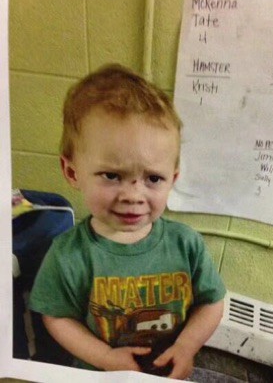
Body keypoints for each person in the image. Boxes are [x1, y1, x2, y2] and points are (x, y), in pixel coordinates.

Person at [29, 64, 226, 380]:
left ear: (173, 179)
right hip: (101, 373)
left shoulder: (186, 244)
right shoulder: (67, 255)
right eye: (112, 175)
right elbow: (57, 317)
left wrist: (187, 346)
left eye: (153, 178)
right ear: (72, 172)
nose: (134, 195)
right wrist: (105, 357)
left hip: (169, 371)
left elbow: (211, 303)